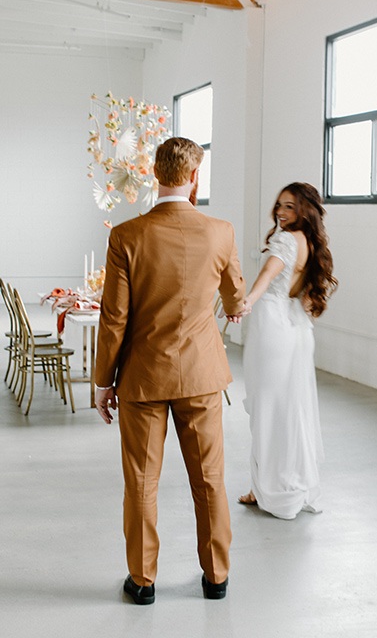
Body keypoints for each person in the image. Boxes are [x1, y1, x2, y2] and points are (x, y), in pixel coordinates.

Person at [94, 137, 246, 604]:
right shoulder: (220, 231)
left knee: (141, 482)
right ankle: (216, 577)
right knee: (210, 479)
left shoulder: (126, 235)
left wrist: (102, 381)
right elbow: (236, 298)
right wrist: (231, 306)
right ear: (194, 177)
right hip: (201, 376)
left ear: (154, 176)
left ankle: (142, 582)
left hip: (142, 379)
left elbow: (114, 317)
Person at [235, 183, 337, 520]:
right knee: (290, 409)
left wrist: (246, 301)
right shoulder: (309, 243)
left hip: (272, 326)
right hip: (294, 326)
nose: (281, 212)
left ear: (305, 210)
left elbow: (268, 272)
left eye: (290, 207)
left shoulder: (283, 240)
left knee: (267, 409)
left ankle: (268, 488)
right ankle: (291, 481)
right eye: (279, 205)